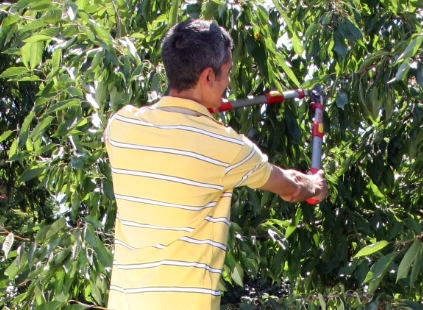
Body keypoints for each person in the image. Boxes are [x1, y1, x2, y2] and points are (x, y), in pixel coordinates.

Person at [104, 19, 328, 310]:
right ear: (208, 76)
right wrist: (315, 184)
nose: (228, 84)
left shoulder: (121, 127)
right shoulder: (226, 148)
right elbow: (291, 188)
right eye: (227, 74)